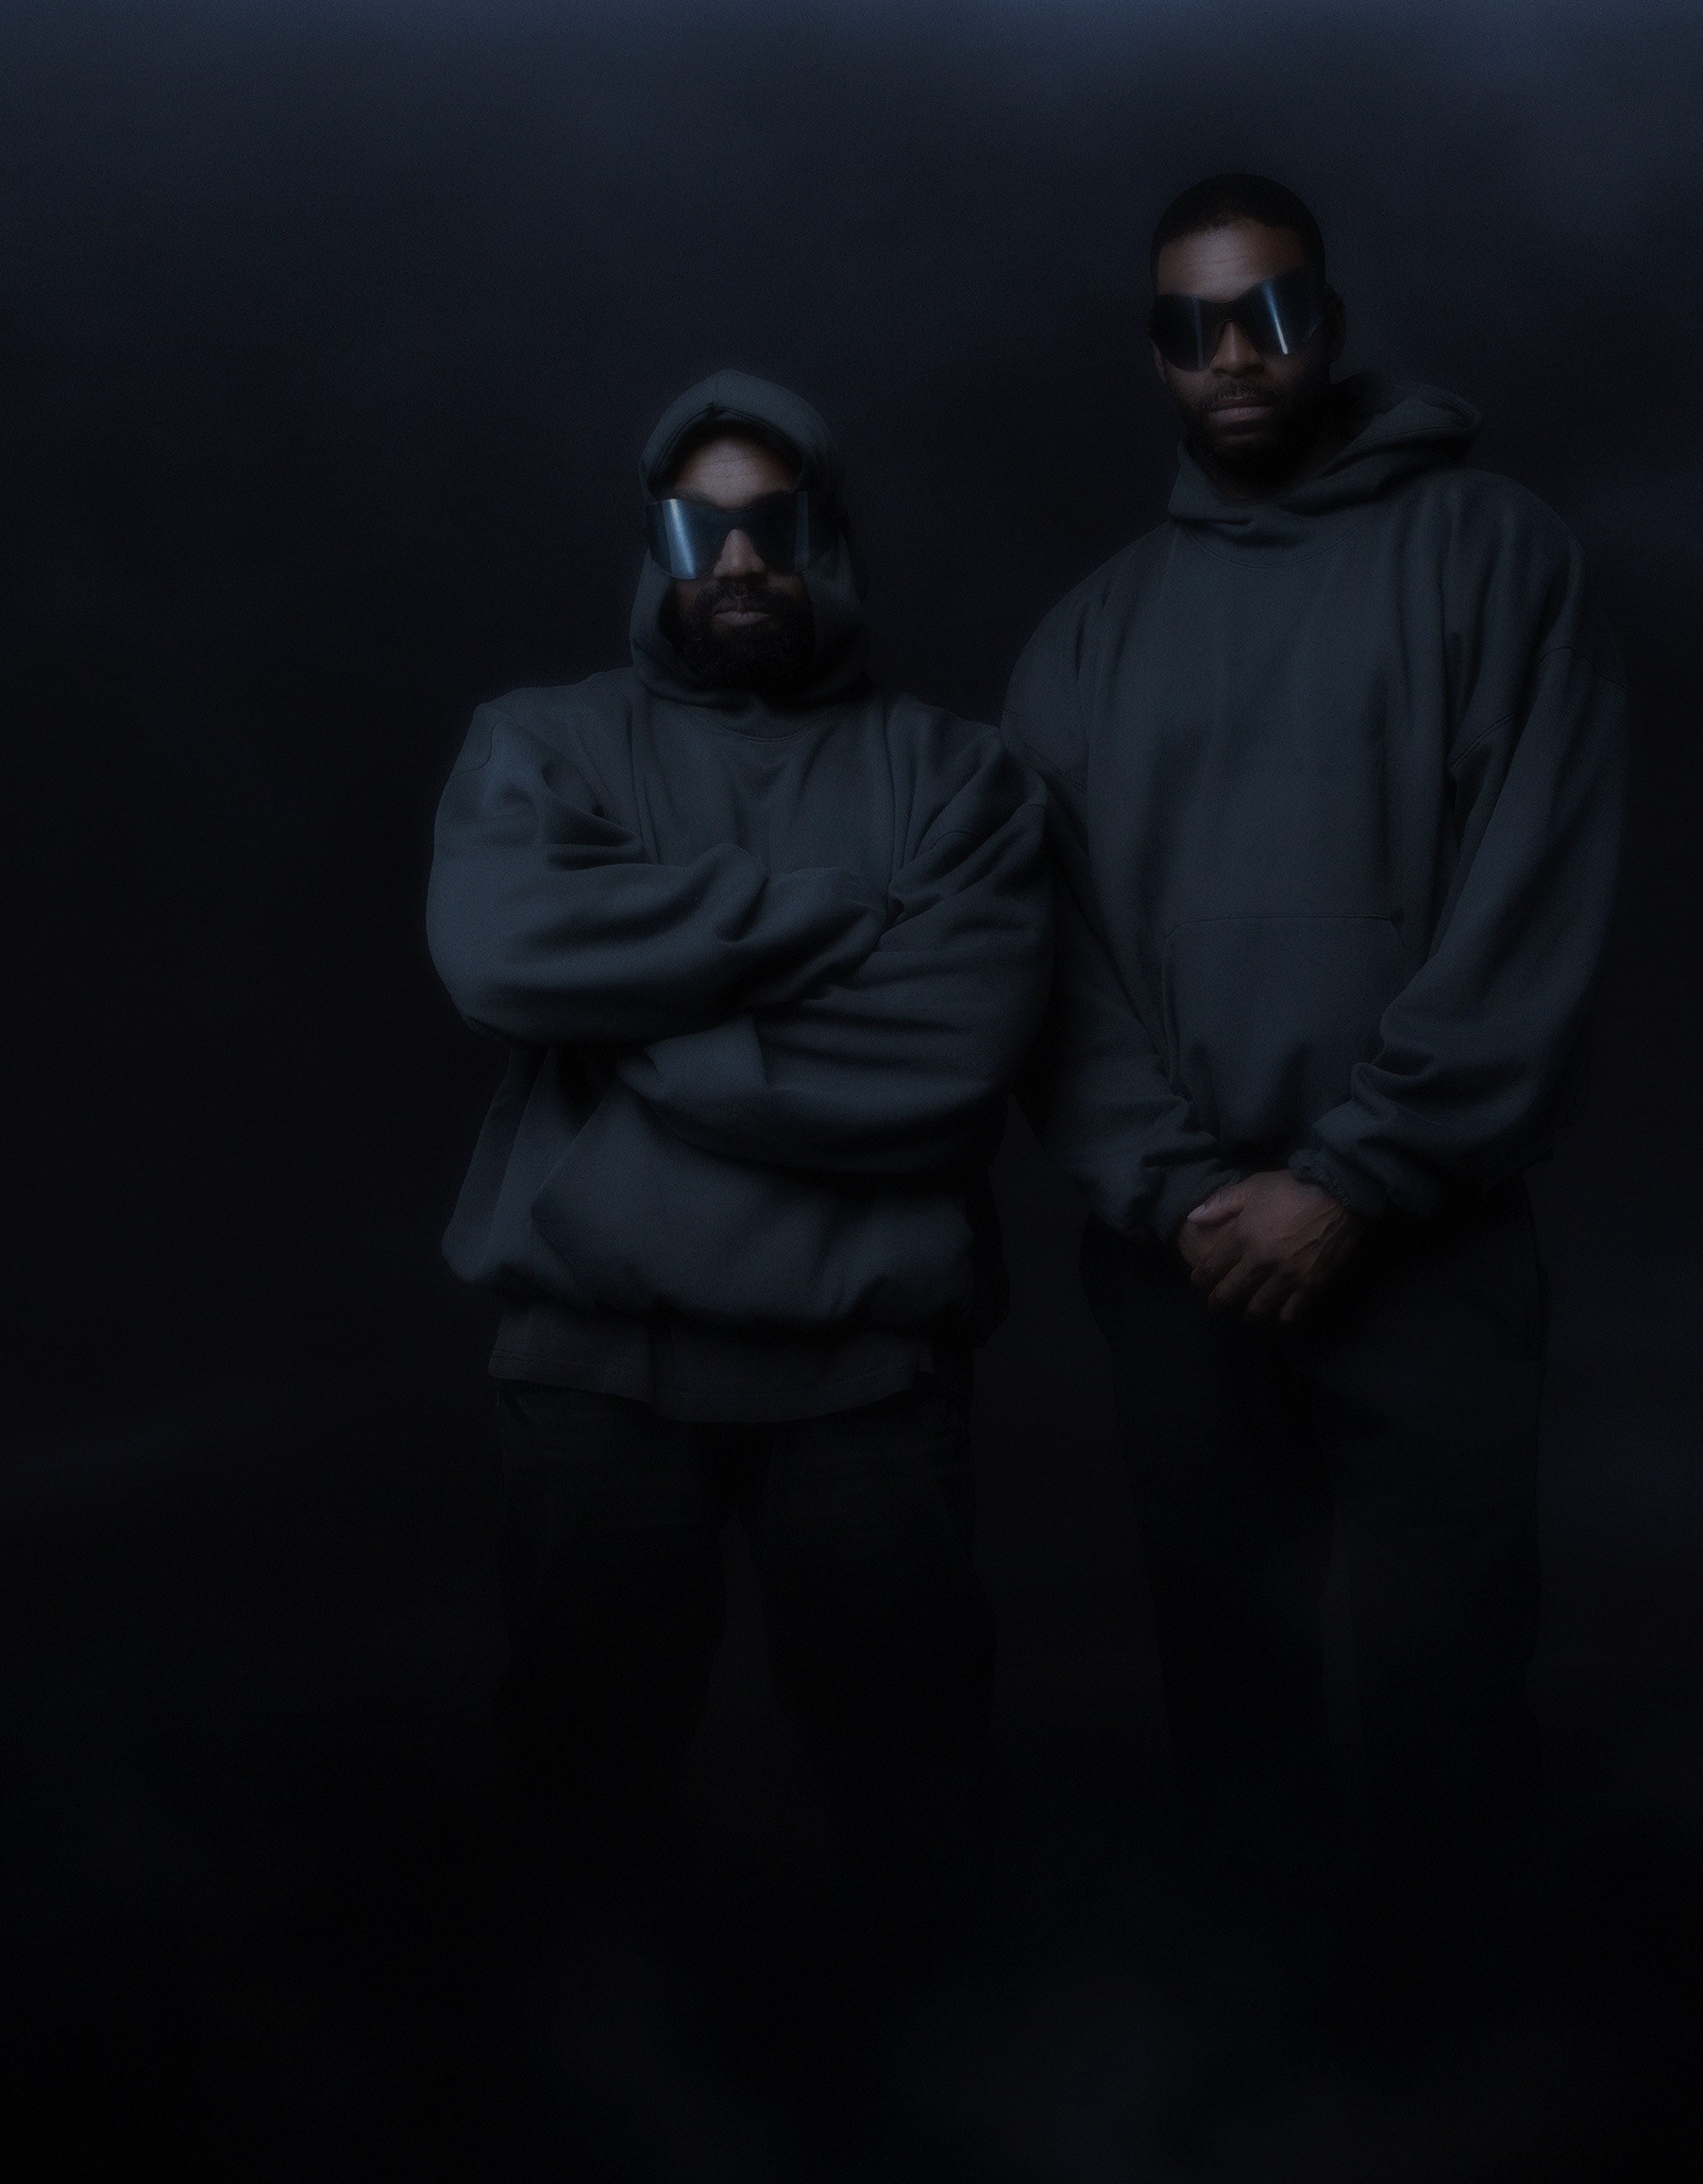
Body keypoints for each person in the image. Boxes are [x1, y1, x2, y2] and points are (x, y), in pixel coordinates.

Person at [1002, 175, 1626, 1988]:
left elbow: (1530, 903)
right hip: (1183, 1260)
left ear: (1327, 325)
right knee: (1230, 1703)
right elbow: (1046, 975)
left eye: (1266, 313)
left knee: (1450, 1697)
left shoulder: (1493, 556)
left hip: (1425, 1246)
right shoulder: (1084, 639)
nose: (1234, 356)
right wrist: (1183, 1191)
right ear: (1155, 358)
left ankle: (1466, 2070)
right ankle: (1262, 2078)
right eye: (1192, 328)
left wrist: (1351, 1176)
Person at [429, 371, 1051, 1950]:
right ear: (654, 543)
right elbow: (501, 952)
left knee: (918, 1788)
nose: (736, 559)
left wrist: (644, 1020)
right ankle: (591, 2086)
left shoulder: (955, 774)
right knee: (579, 1787)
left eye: (769, 522)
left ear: (825, 534)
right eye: (697, 526)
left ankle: (942, 2092)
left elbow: (947, 1052)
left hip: (866, 1373)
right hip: (596, 1367)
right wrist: (828, 918)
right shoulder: (542, 742)